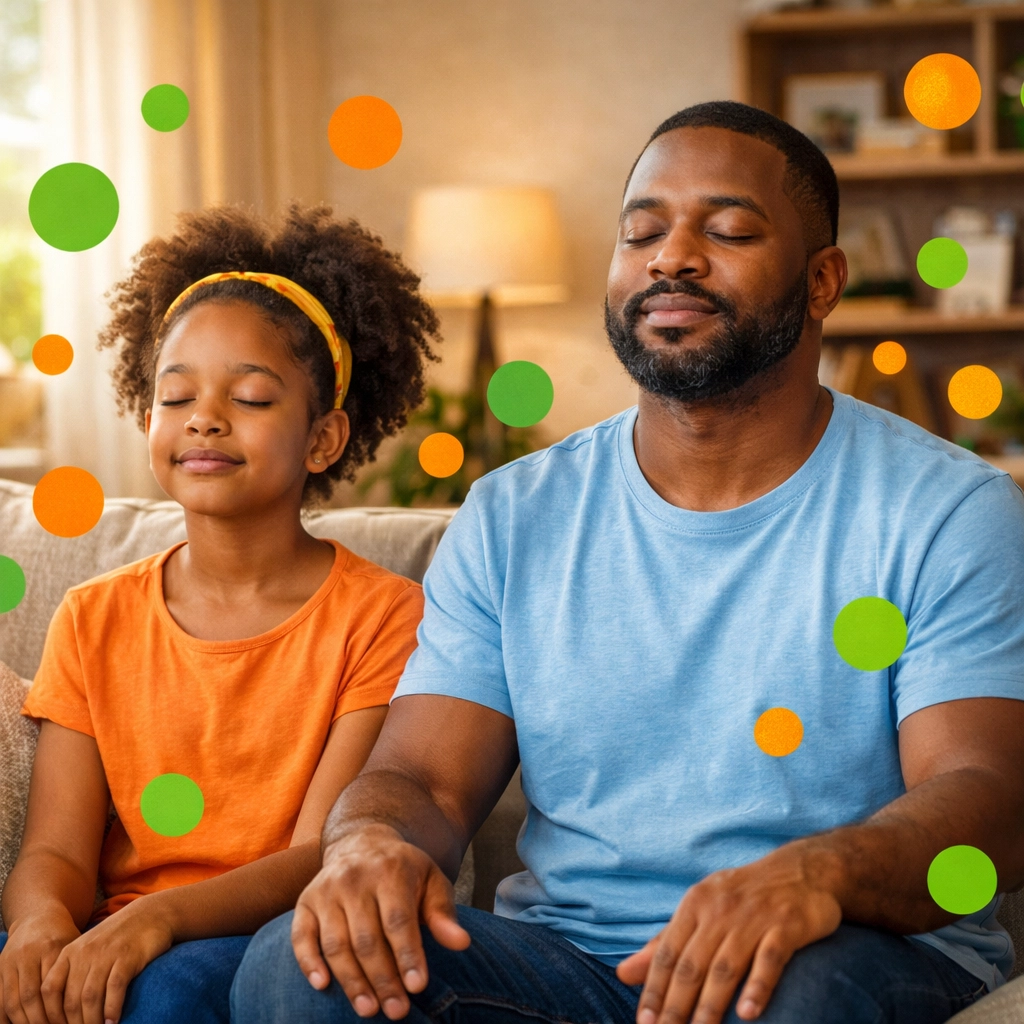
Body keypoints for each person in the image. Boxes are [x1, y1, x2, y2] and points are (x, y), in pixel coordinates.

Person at [230, 102, 1024, 1024]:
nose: (670, 258)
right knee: (296, 968)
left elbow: (990, 801)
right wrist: (368, 841)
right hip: (571, 964)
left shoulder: (947, 511)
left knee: (790, 989)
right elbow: (426, 781)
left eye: (727, 231)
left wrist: (821, 874)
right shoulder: (512, 515)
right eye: (641, 232)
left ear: (822, 281)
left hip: (840, 952)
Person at [0, 204, 441, 1024]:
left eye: (250, 396)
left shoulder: (385, 617)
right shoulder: (92, 616)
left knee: (165, 995)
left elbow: (322, 853)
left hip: (257, 938)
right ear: (149, 420)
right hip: (114, 931)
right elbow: (55, 849)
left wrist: (159, 919)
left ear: (324, 438)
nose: (204, 416)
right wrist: (37, 925)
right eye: (176, 396)